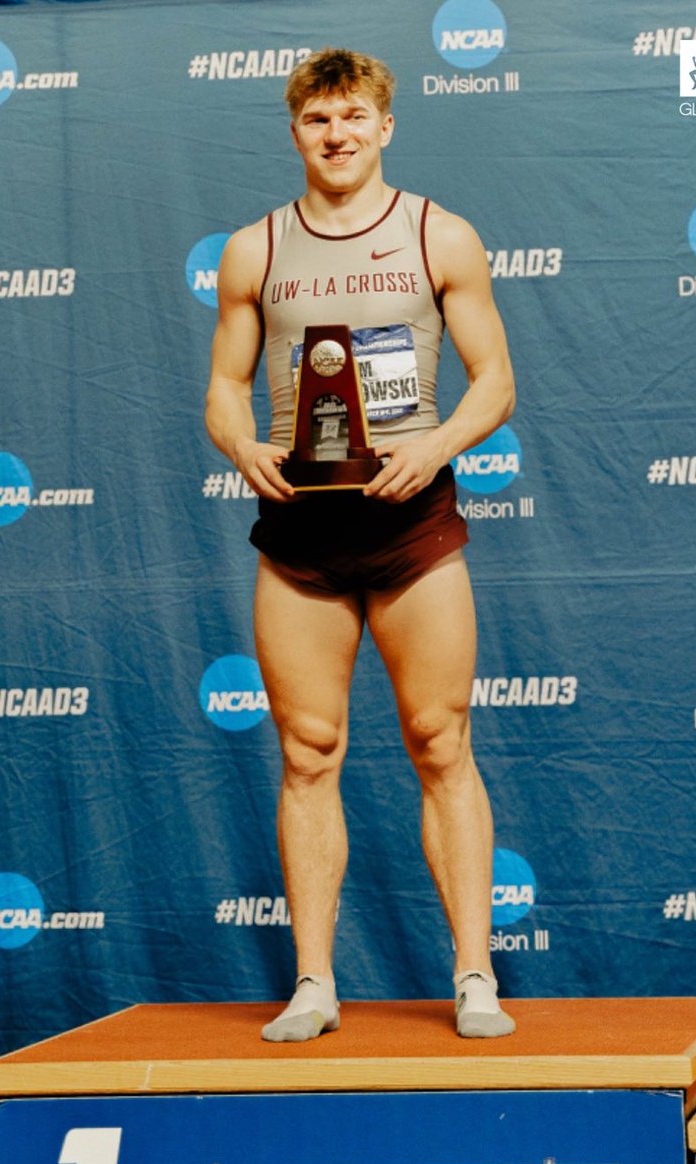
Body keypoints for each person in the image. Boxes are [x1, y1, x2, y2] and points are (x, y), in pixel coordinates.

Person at [205, 49, 516, 1041]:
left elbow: (495, 380)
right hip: (301, 530)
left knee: (440, 738)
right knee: (308, 751)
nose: (335, 135)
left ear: (385, 125)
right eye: (315, 120)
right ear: (294, 132)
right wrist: (238, 439)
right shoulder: (254, 249)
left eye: (352, 117)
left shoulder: (440, 234)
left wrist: (436, 445)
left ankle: (474, 977)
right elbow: (222, 386)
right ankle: (312, 984)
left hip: (411, 525)